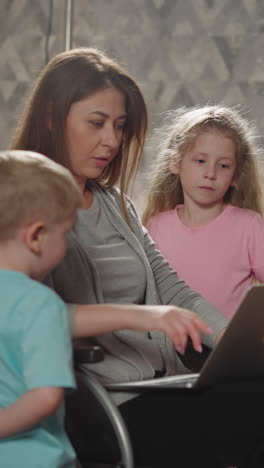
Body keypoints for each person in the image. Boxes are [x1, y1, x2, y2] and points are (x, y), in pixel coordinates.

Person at [10, 48, 264, 468]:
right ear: (52, 116)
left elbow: (172, 287)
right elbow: (34, 315)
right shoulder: (23, 213)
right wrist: (143, 318)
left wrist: (231, 345)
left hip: (167, 382)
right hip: (105, 406)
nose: (111, 141)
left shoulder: (117, 205)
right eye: (96, 123)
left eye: (119, 126)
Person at [143, 105, 264, 319]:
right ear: (176, 163)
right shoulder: (156, 227)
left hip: (229, 349)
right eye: (200, 161)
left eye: (224, 166)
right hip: (169, 349)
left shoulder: (249, 225)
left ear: (236, 175)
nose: (210, 174)